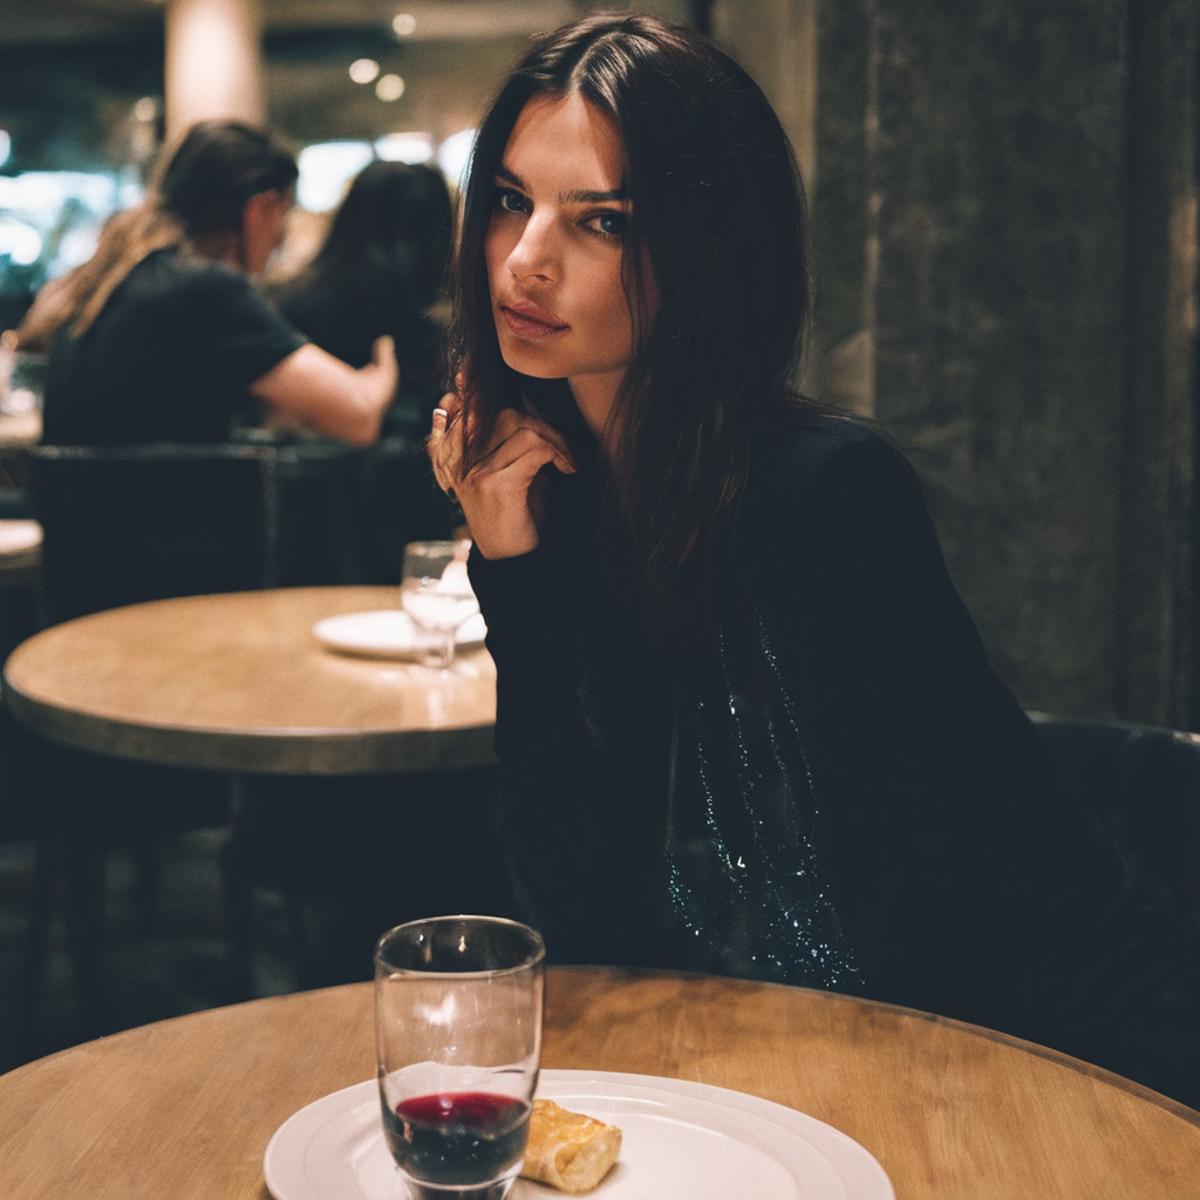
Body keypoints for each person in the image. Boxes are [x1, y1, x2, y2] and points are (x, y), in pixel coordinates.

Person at [428, 13, 1200, 1106]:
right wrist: (512, 564)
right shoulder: (558, 495)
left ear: (706, 249)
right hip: (739, 1045)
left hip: (998, 1050)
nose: (524, 260)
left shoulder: (821, 496)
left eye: (601, 222)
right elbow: (578, 899)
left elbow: (951, 883)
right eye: (511, 200)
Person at [23, 120, 395, 446]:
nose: (281, 238)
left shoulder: (110, 280)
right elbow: (360, 417)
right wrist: (385, 359)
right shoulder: (204, 288)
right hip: (160, 508)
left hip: (81, 507)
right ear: (260, 209)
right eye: (284, 214)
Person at [269, 160, 454, 436]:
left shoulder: (288, 302)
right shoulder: (450, 324)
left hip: (307, 457)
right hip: (421, 459)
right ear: (440, 231)